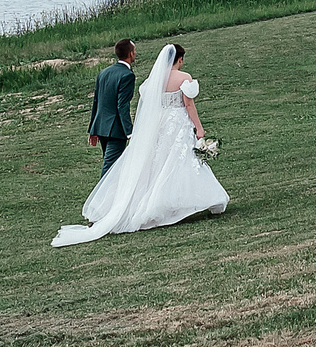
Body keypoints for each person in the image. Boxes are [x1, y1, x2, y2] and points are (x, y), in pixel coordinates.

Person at [52, 43, 229, 247]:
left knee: (156, 164)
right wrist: (199, 129)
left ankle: (153, 203)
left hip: (160, 125)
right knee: (181, 162)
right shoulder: (184, 78)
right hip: (178, 122)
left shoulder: (154, 80)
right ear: (179, 59)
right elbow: (188, 104)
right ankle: (183, 203)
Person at [88, 39, 140, 175]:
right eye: (134, 51)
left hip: (101, 127)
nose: (135, 53)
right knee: (110, 169)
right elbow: (122, 106)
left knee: (113, 168)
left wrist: (93, 129)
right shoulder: (127, 75)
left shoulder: (104, 72)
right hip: (115, 130)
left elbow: (96, 101)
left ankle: (113, 195)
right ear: (130, 53)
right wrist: (130, 132)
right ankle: (100, 196)